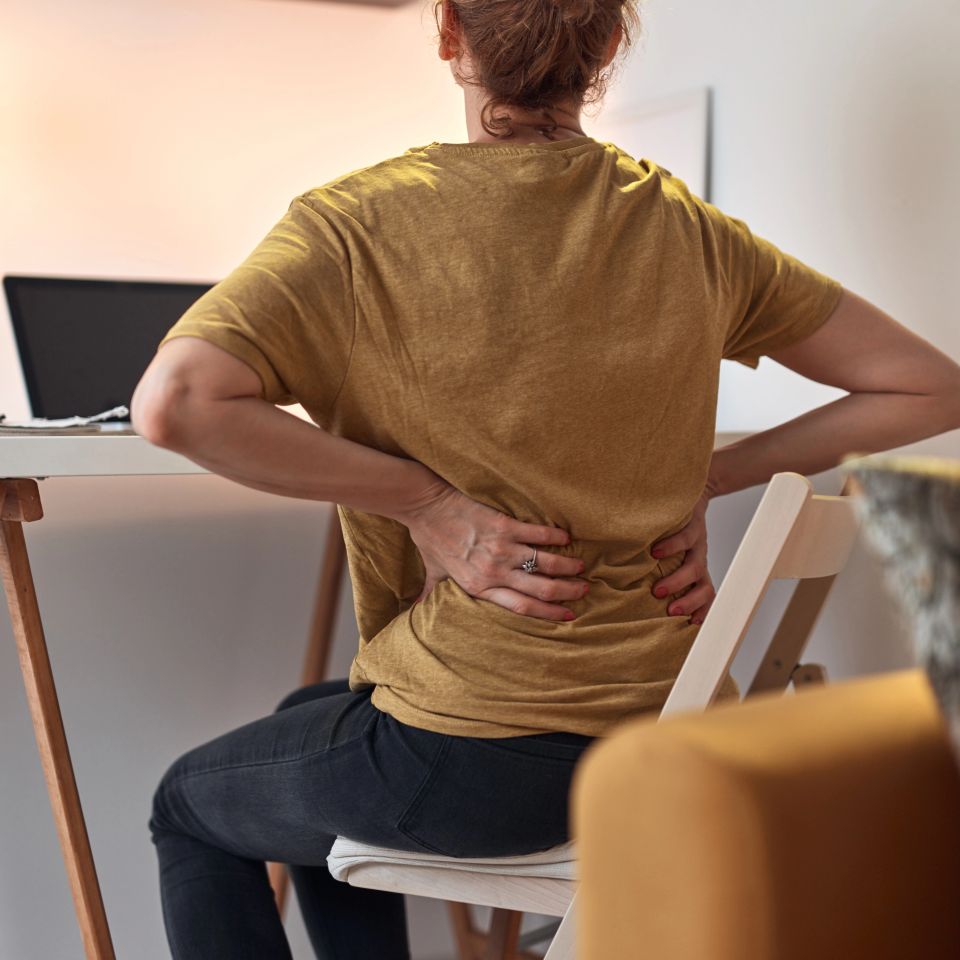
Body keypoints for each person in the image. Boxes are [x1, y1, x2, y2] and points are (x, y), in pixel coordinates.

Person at [131, 0, 960, 957]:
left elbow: (176, 404)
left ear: (448, 32)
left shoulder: (356, 225)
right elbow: (928, 386)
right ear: (608, 44)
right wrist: (715, 477)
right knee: (306, 715)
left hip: (484, 759)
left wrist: (428, 503)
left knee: (186, 809)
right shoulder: (688, 232)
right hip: (664, 730)